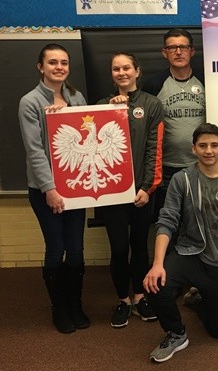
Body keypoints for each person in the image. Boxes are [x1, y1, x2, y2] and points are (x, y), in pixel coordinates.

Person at [144, 123, 218, 363]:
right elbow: (167, 220)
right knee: (155, 284)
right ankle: (176, 333)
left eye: (214, 145)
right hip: (190, 254)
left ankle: (197, 299)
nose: (209, 150)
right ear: (194, 149)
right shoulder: (182, 180)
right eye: (202, 145)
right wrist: (158, 263)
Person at [18, 44, 89, 334]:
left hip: (77, 187)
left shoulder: (77, 97)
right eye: (52, 62)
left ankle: (75, 304)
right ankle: (59, 307)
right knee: (56, 247)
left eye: (63, 62)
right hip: (45, 190)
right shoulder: (30, 101)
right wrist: (49, 189)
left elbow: (91, 131)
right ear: (41, 67)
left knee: (76, 249)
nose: (59, 67)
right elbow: (35, 150)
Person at [97, 52, 164, 328]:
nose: (122, 72)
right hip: (111, 193)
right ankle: (122, 300)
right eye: (116, 69)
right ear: (112, 74)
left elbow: (154, 149)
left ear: (137, 71)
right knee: (118, 247)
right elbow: (98, 152)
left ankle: (139, 297)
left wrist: (148, 188)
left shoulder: (152, 104)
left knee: (139, 245)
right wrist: (114, 113)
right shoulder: (101, 106)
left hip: (141, 193)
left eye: (127, 68)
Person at [144, 28, 205, 218]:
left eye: (183, 47)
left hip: (202, 164)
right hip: (167, 168)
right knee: (170, 221)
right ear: (165, 52)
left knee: (198, 219)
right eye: (172, 48)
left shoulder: (207, 80)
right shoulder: (154, 83)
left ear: (192, 51)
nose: (178, 52)